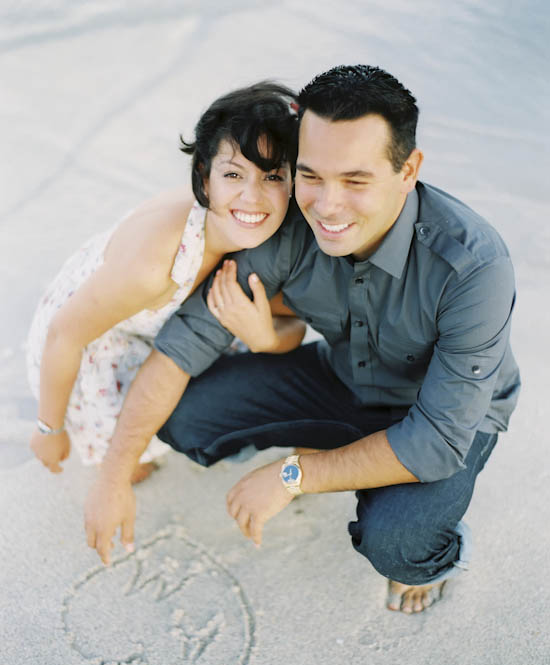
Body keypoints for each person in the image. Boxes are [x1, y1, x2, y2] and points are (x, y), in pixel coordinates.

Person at [84, 65, 520, 615]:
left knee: (400, 544)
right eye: (311, 175)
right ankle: (335, 444)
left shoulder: (473, 266)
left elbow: (436, 441)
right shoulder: (292, 221)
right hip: (343, 377)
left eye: (356, 180)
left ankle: (433, 558)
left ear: (408, 170)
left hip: (441, 415)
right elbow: (182, 344)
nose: (327, 206)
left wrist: (293, 476)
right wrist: (113, 477)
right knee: (185, 416)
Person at [27, 82, 304, 483]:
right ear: (204, 178)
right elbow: (63, 335)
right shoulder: (156, 264)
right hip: (90, 340)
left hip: (142, 327)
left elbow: (292, 323)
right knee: (130, 460)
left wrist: (266, 338)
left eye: (273, 177)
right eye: (233, 174)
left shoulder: (265, 242)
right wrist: (48, 429)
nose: (252, 196)